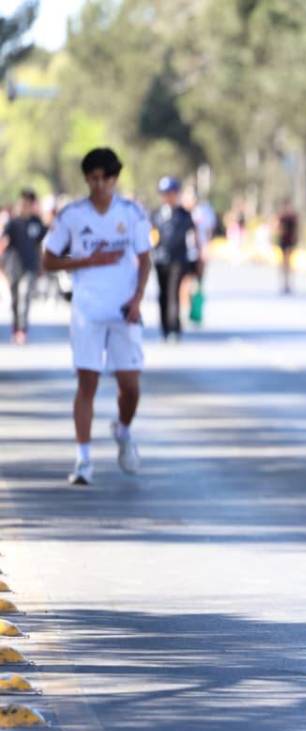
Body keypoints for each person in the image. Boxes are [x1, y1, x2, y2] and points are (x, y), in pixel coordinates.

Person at [42, 147, 152, 486]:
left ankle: (123, 429)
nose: (99, 184)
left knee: (130, 386)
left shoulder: (132, 213)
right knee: (86, 382)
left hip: (123, 311)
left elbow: (145, 259)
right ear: (87, 179)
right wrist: (86, 262)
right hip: (87, 311)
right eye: (93, 178)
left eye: (105, 178)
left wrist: (136, 300)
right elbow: (48, 260)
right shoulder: (72, 216)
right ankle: (84, 459)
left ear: (115, 179)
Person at [150, 176, 202, 341]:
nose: (168, 196)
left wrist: (197, 259)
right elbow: (150, 236)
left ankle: (174, 327)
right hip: (160, 260)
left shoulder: (185, 215)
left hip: (178, 260)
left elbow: (193, 238)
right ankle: (164, 328)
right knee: (163, 294)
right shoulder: (156, 215)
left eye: (171, 193)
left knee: (174, 294)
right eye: (165, 193)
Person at [1, 189, 47, 344]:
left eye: (28, 203)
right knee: (15, 300)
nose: (25, 206)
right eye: (23, 203)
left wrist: (42, 264)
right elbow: (4, 243)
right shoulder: (12, 223)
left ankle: (22, 330)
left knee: (25, 295)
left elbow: (39, 244)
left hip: (30, 265)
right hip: (13, 266)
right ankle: (15, 327)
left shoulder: (37, 222)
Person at [276, 200, 299, 294]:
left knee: (288, 263)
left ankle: (288, 283)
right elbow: (278, 229)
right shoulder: (282, 217)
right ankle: (285, 283)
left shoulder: (293, 217)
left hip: (290, 242)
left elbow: (297, 229)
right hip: (283, 242)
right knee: (284, 263)